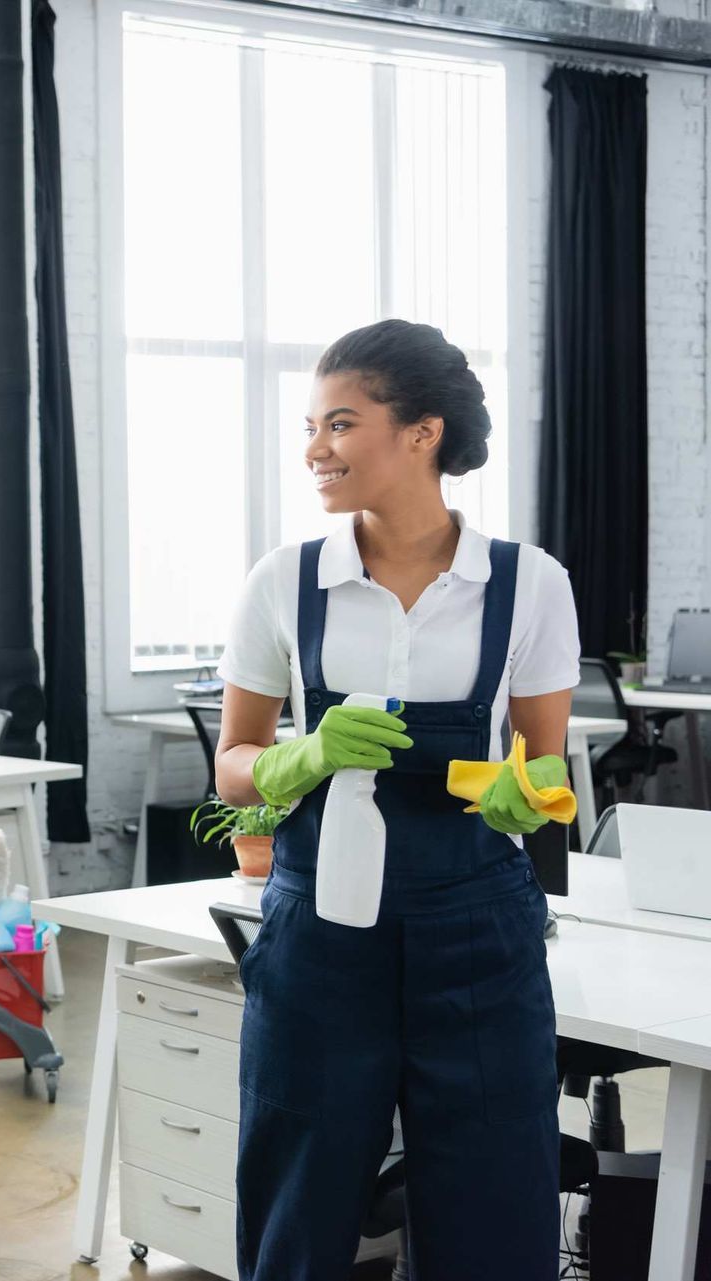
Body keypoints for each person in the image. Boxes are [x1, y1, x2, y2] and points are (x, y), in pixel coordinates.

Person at [215, 320, 577, 1278]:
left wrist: (525, 795)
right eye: (309, 426)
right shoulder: (285, 582)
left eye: (340, 424)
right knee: (299, 1196)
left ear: (421, 433)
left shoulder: (529, 584)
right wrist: (293, 761)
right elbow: (232, 761)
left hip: (480, 936)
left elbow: (549, 769)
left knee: (494, 1200)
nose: (314, 450)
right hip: (321, 935)